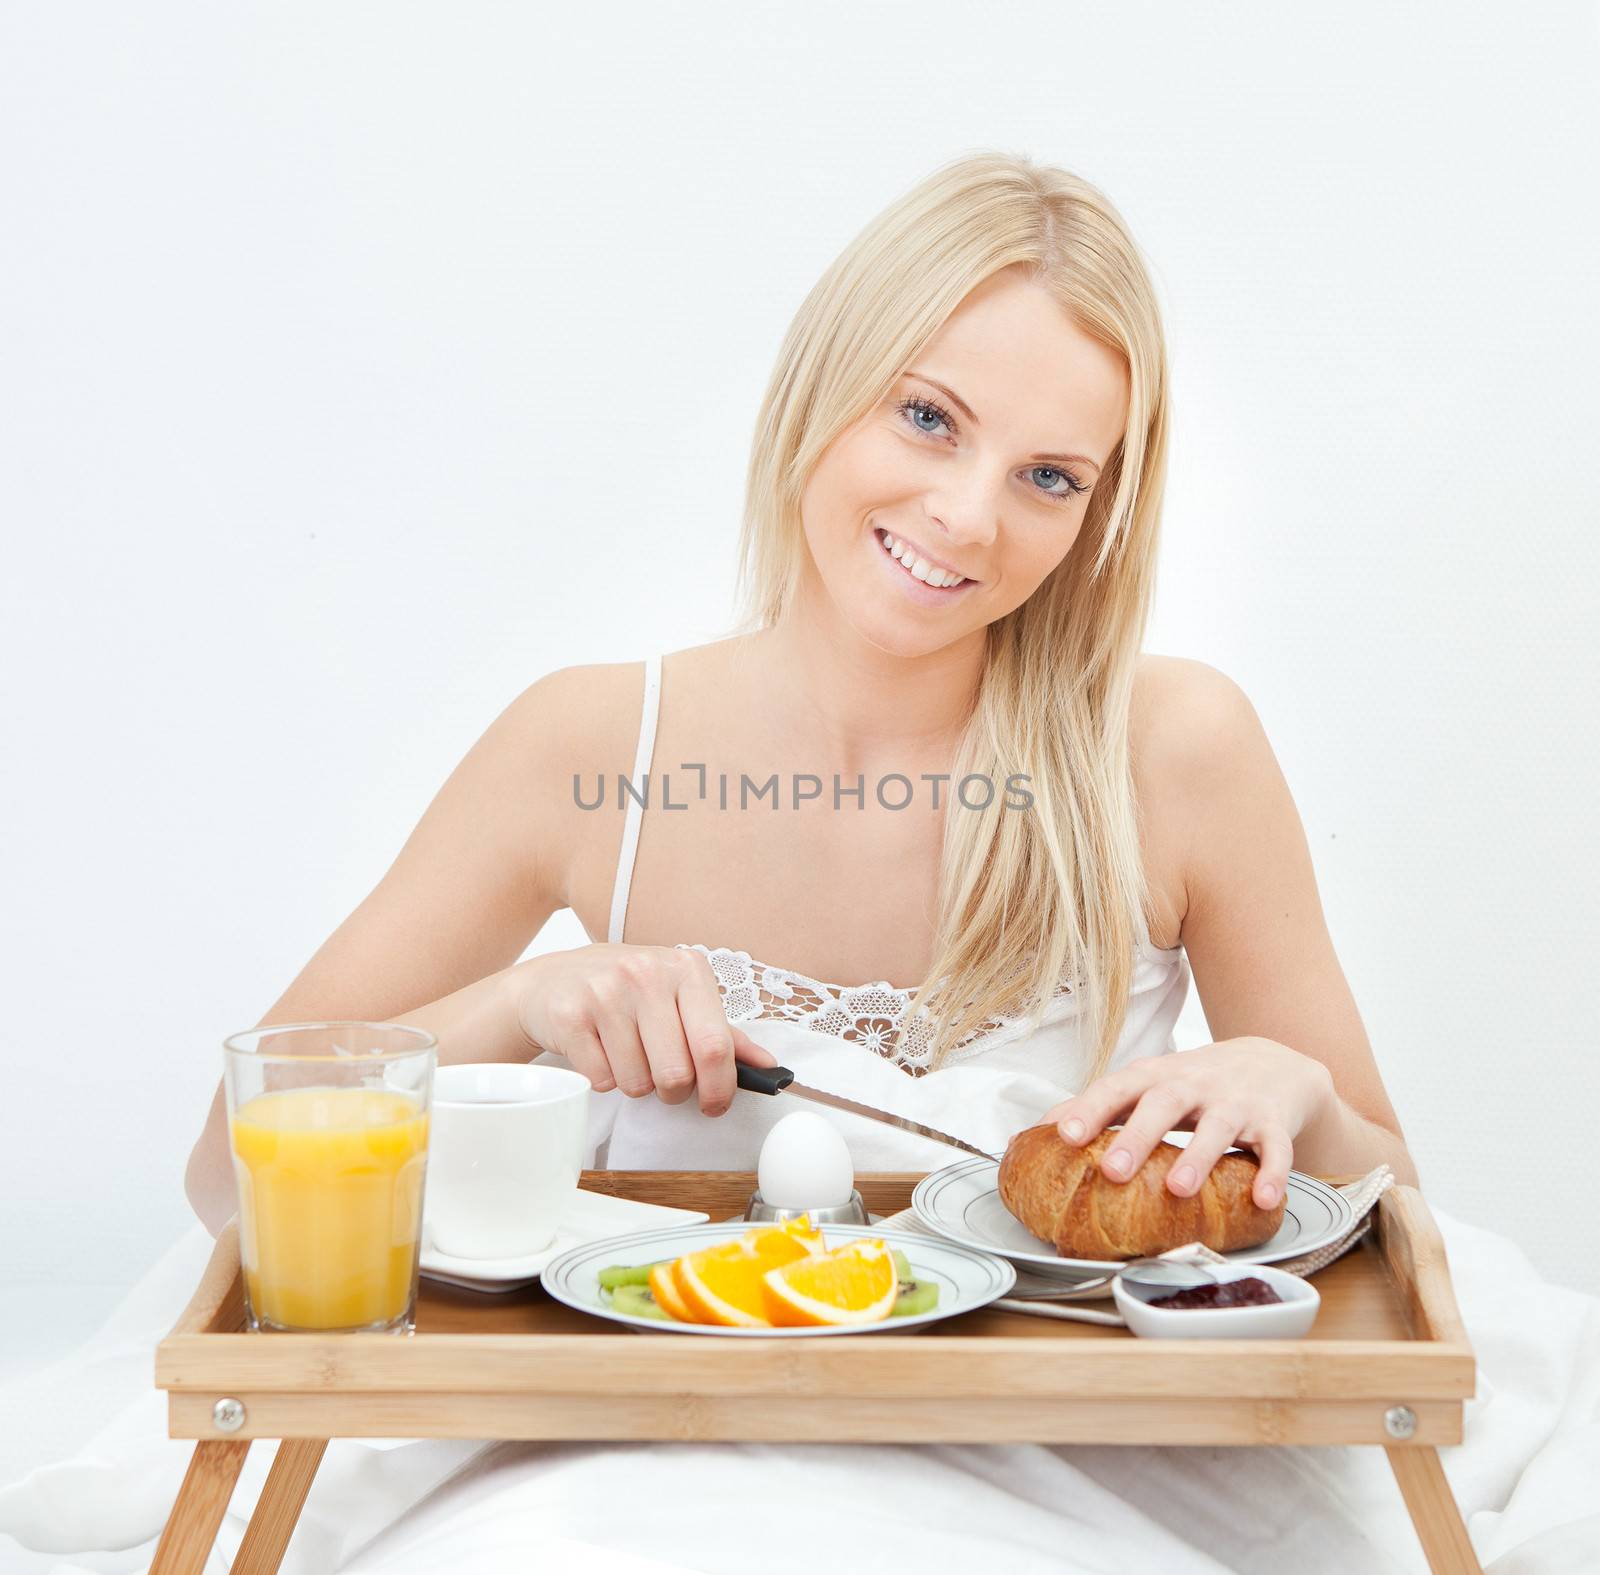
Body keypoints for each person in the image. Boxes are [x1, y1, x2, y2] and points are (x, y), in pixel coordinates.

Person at [178, 149, 1436, 1571]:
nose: (969, 516)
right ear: (822, 389)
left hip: (1082, 1449)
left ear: (1101, 514)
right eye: (926, 417)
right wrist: (521, 1010)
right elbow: (227, 1177)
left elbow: (1392, 1202)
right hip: (637, 1450)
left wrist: (1298, 1092)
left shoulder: (1175, 748)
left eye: (1048, 475)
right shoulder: (596, 743)